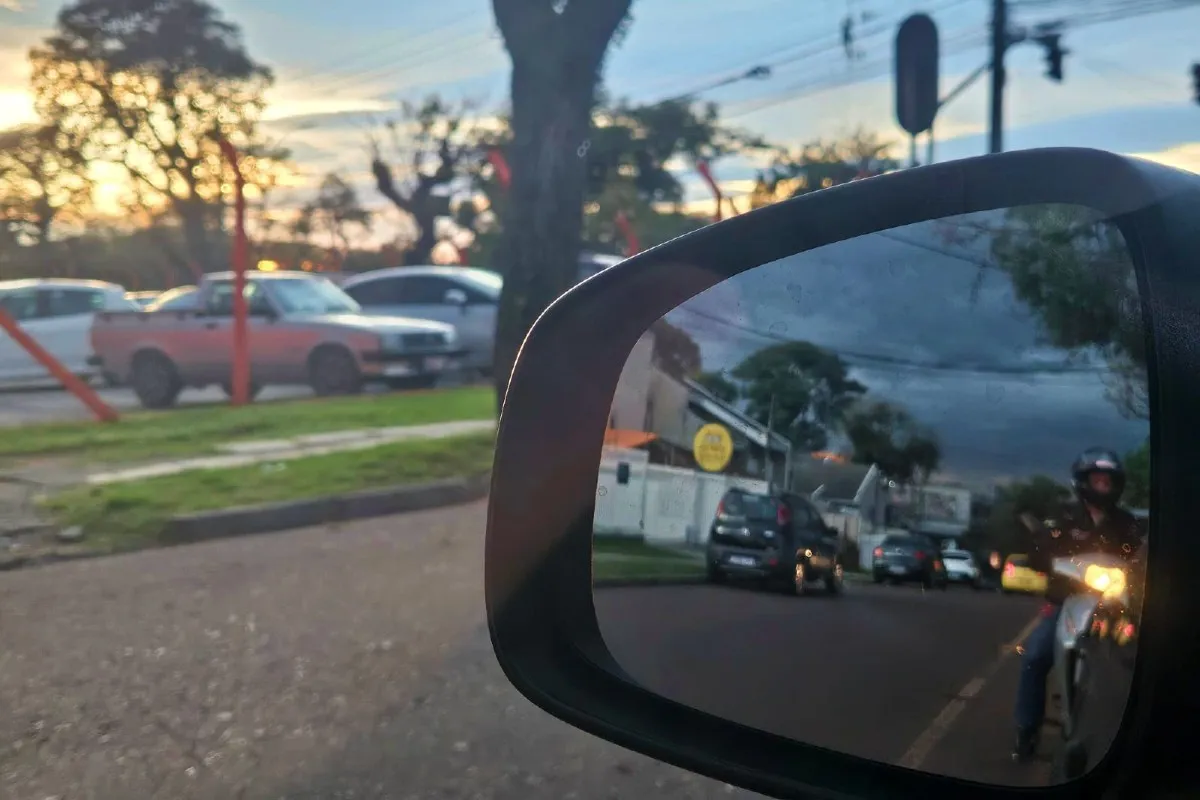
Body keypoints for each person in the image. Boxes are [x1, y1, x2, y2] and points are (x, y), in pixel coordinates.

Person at [1012, 447, 1145, 763]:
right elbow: (1039, 548)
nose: (1103, 486)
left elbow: (1141, 557)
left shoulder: (1128, 524)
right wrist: (1045, 558)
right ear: (1083, 482)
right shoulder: (1063, 518)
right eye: (1097, 480)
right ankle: (1026, 730)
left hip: (1115, 604)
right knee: (1034, 656)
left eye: (1108, 481)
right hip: (1066, 601)